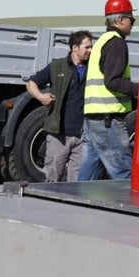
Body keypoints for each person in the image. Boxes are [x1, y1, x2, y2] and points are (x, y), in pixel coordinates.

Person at [77, 0, 138, 181]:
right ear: (120, 20)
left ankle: (77, 206)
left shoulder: (102, 41)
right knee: (123, 171)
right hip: (107, 119)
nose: (133, 23)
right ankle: (129, 209)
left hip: (93, 118)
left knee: (89, 173)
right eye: (131, 19)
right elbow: (112, 81)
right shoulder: (116, 43)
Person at [24, 30, 93, 182]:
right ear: (75, 47)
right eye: (87, 47)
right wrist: (41, 96)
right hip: (59, 133)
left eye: (91, 47)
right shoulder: (57, 66)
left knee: (77, 184)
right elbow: (31, 83)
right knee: (53, 179)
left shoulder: (94, 69)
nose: (90, 51)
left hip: (83, 135)